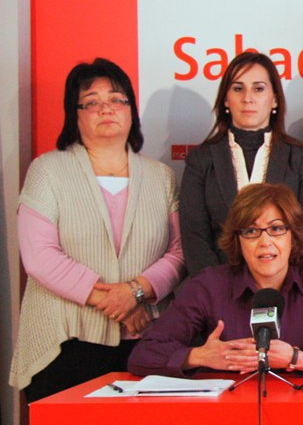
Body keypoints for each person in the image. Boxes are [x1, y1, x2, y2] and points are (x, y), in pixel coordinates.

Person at [11, 58, 185, 401]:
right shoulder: (47, 170)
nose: (106, 109)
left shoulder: (160, 176)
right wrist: (113, 300)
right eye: (91, 102)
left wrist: (136, 292)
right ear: (74, 115)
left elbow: (179, 252)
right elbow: (39, 256)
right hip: (64, 343)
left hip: (144, 343)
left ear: (131, 111)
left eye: (117, 99)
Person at [128, 184, 303, 377]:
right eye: (251, 231)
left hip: (299, 403)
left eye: (276, 229)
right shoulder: (209, 285)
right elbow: (144, 354)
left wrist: (296, 358)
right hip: (229, 402)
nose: (264, 241)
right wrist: (199, 356)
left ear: (293, 236)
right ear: (238, 240)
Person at [180, 51, 303, 277]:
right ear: (226, 99)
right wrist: (217, 291)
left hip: (287, 290)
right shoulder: (200, 160)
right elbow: (194, 239)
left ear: (274, 99)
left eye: (258, 89)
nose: (248, 98)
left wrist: (283, 288)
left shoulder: (301, 159)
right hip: (217, 290)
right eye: (238, 88)